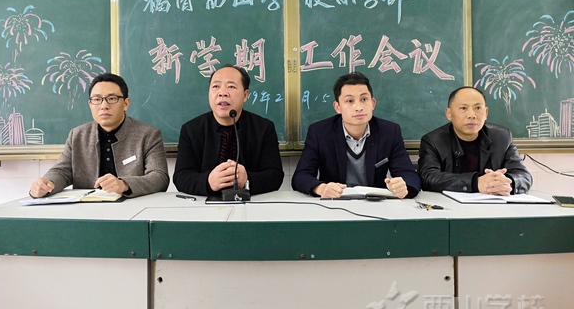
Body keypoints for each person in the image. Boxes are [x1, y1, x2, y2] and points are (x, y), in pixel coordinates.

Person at [29, 73, 170, 198]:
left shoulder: (148, 135)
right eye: (97, 99)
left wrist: (125, 184)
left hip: (132, 207)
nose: (104, 106)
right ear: (90, 104)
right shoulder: (77, 135)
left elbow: (159, 177)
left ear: (126, 103)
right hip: (87, 209)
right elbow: (62, 171)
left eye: (112, 98)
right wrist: (47, 183)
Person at [291, 72, 420, 199]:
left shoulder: (390, 132)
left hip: (375, 204)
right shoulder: (319, 132)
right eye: (350, 101)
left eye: (364, 99)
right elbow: (301, 176)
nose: (358, 107)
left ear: (373, 103)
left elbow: (410, 175)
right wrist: (321, 188)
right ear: (337, 107)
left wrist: (404, 187)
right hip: (335, 203)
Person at [173, 64, 284, 196]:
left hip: (252, 204)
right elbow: (181, 176)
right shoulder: (191, 129)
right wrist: (208, 181)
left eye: (231, 86)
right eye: (216, 86)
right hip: (204, 204)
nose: (222, 93)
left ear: (245, 95)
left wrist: (247, 179)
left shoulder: (263, 128)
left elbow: (275, 175)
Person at [418, 86, 532, 195]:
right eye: (463, 108)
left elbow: (524, 176)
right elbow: (428, 177)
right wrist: (476, 183)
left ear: (486, 113)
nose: (472, 115)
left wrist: (506, 183)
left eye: (477, 108)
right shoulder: (433, 140)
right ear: (449, 113)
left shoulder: (502, 137)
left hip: (495, 204)